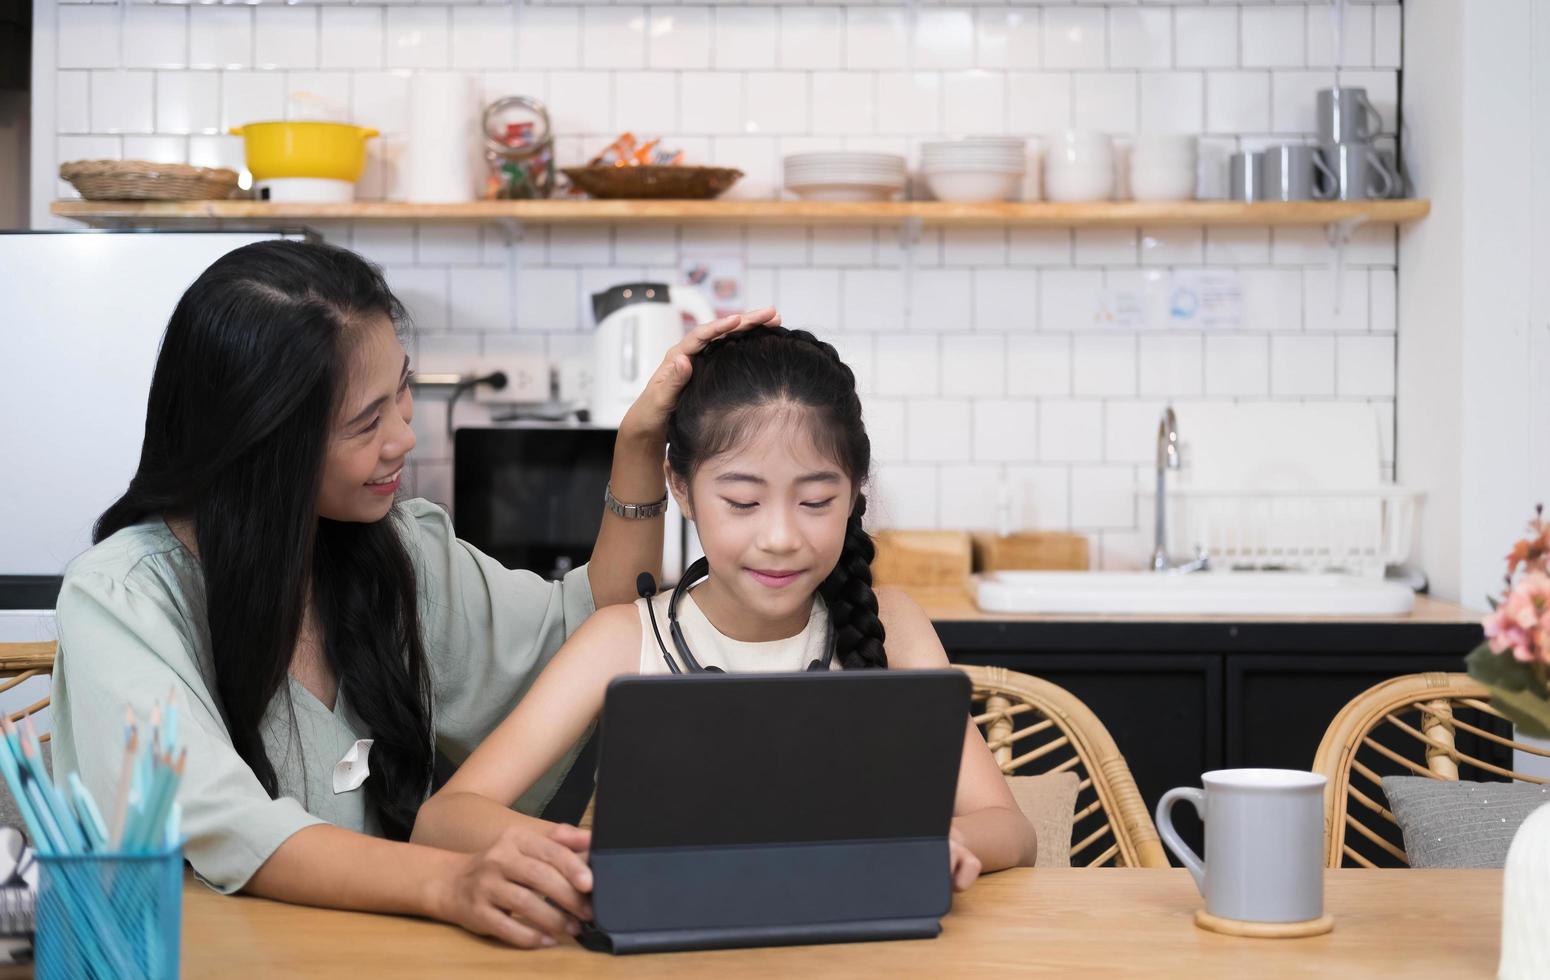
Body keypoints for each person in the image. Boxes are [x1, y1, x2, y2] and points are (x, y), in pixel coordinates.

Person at [49, 239, 779, 948]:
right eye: (366, 422)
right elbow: (229, 826)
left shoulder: (399, 550)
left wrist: (637, 446)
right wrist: (449, 883)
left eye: (401, 390)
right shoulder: (122, 600)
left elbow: (588, 635)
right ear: (263, 444)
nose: (403, 435)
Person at [412, 327, 1039, 937]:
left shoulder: (894, 624)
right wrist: (575, 850)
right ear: (682, 490)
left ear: (855, 494)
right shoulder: (622, 639)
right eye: (742, 502)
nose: (780, 537)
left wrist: (943, 843)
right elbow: (443, 821)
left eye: (816, 502)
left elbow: (1010, 829)